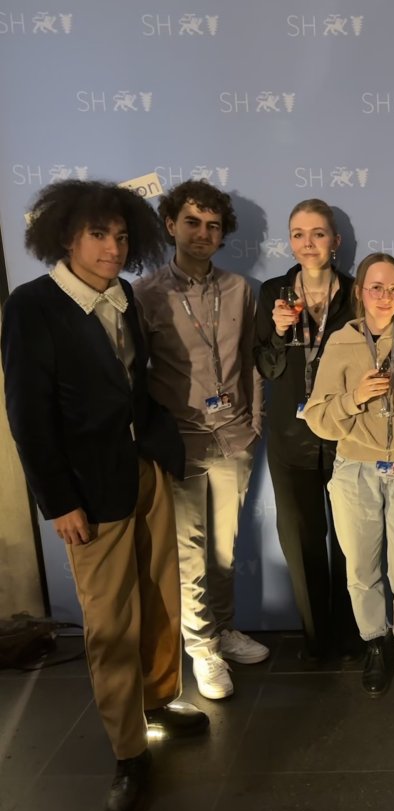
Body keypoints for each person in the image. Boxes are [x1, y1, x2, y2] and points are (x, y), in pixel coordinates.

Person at [1, 180, 208, 811]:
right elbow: (28, 415)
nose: (113, 247)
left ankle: (159, 699)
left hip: (142, 472)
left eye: (121, 236)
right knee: (109, 622)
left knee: (159, 594)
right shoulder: (35, 306)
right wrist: (57, 499)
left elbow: (132, 389)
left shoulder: (121, 297)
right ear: (67, 237)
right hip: (87, 491)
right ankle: (127, 751)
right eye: (100, 235)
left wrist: (159, 446)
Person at [135, 180, 267, 701]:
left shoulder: (240, 289)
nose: (203, 234)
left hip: (234, 439)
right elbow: (136, 374)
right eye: (192, 222)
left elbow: (254, 362)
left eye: (213, 226)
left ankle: (225, 629)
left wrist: (254, 422)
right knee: (188, 552)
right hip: (182, 444)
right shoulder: (146, 294)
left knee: (224, 549)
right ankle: (202, 647)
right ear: (171, 225)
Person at [303, 253, 394, 696]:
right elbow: (318, 418)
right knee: (361, 567)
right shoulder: (341, 341)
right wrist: (354, 397)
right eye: (376, 287)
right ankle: (374, 642)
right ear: (359, 291)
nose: (385, 296)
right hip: (355, 466)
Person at [254, 199, 361, 664]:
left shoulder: (357, 293)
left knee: (349, 539)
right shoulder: (274, 292)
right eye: (298, 234)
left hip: (345, 433)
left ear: (335, 242)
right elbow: (266, 365)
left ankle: (353, 633)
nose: (308, 243)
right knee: (301, 539)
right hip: (290, 435)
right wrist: (279, 333)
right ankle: (318, 639)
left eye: (318, 234)